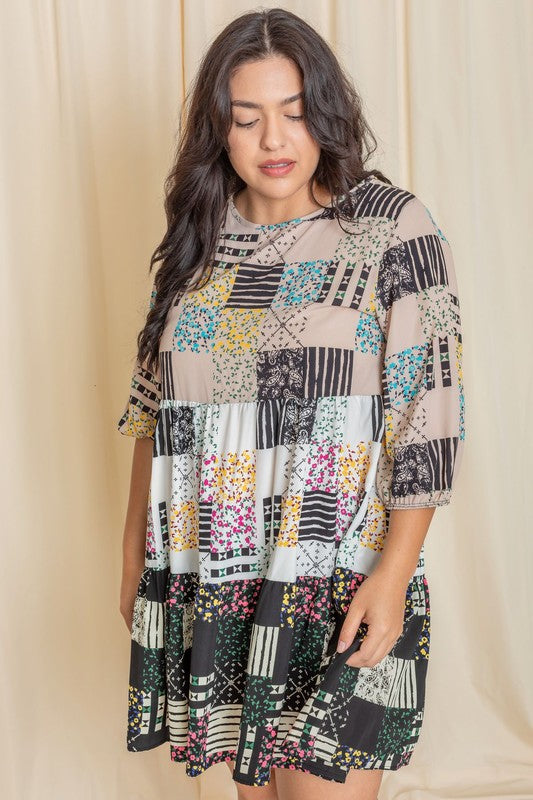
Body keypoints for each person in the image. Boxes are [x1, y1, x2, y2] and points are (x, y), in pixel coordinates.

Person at [117, 8, 465, 800]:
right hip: (216, 569)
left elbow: (429, 414)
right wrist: (133, 549)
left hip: (338, 573)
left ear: (326, 113)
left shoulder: (391, 228)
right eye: (247, 119)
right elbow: (153, 412)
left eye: (295, 112)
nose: (274, 140)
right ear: (218, 131)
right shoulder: (195, 240)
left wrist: (394, 572)